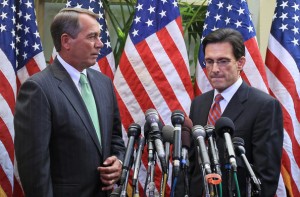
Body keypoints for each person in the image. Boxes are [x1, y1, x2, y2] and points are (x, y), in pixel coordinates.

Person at [14, 8, 125, 197]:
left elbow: (115, 138)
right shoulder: (38, 89)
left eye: (99, 36)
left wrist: (118, 162)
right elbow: (34, 170)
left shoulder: (103, 83)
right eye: (92, 37)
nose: (100, 44)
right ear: (66, 41)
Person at [176, 28, 283, 196]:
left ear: (240, 63)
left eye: (223, 61)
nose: (215, 69)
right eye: (209, 61)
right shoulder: (199, 103)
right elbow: (190, 164)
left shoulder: (264, 106)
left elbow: (266, 177)